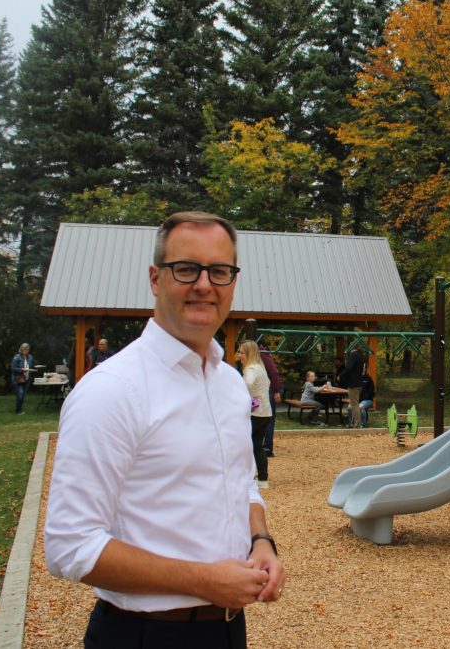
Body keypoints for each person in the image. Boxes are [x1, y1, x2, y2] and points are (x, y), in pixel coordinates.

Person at [44, 211, 286, 649]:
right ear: (156, 279)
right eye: (186, 268)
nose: (204, 284)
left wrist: (261, 541)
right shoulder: (112, 391)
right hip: (145, 635)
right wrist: (205, 580)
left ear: (233, 280)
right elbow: (70, 546)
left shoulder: (229, 383)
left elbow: (242, 483)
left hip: (228, 630)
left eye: (219, 271)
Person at [238, 340, 271, 488]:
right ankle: (263, 479)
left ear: (249, 354)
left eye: (242, 353)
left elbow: (247, 384)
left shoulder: (250, 369)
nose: (239, 356)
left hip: (254, 414)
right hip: (265, 412)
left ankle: (246, 477)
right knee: (257, 446)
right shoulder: (260, 367)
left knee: (244, 446)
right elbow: (268, 383)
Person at [259, 344, 282, 458]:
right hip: (263, 390)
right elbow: (274, 373)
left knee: (268, 418)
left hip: (267, 390)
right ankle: (265, 447)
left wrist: (276, 390)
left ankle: (267, 447)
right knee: (267, 418)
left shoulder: (262, 355)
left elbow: (273, 373)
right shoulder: (262, 355)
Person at [336, 345, 365, 427]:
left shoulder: (354, 355)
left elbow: (349, 368)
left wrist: (340, 375)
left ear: (352, 348)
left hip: (353, 384)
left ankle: (357, 424)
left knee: (354, 404)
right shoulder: (361, 356)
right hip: (359, 383)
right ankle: (353, 422)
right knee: (354, 403)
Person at [10, 343, 34, 415]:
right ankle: (18, 410)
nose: (26, 351)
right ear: (21, 349)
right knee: (20, 393)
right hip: (18, 378)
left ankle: (20, 407)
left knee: (23, 395)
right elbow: (13, 368)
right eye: (24, 349)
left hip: (26, 378)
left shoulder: (30, 357)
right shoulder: (16, 357)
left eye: (27, 349)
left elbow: (31, 366)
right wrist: (21, 369)